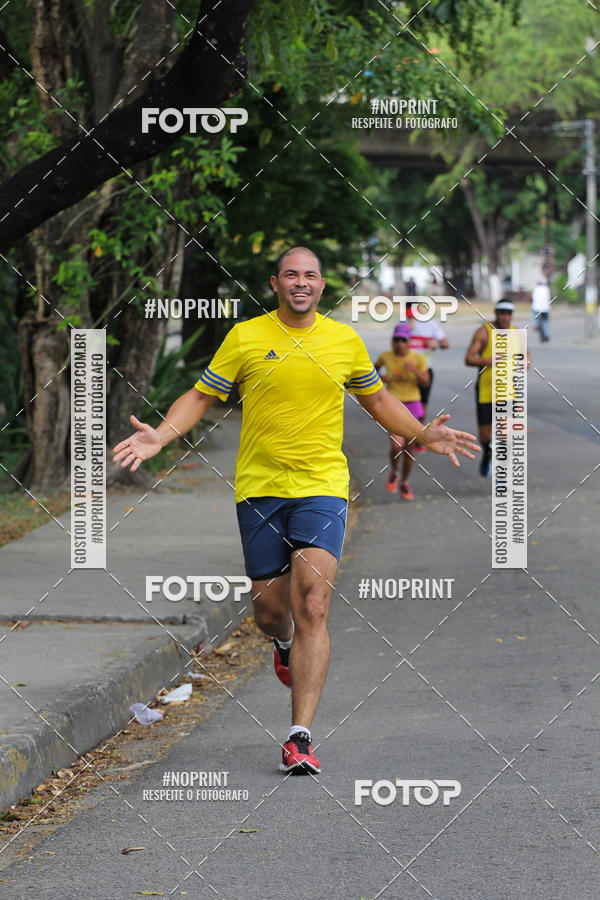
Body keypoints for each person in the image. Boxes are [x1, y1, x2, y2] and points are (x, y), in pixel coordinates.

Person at [114, 247, 479, 775]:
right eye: (291, 274)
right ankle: (283, 644)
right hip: (259, 488)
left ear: (322, 284)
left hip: (323, 486)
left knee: (313, 601)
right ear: (275, 283)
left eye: (310, 274)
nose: (301, 282)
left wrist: (423, 433)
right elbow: (200, 396)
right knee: (269, 611)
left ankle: (299, 736)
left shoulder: (342, 341)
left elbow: (377, 402)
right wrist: (161, 437)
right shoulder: (246, 338)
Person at [465, 298, 529, 477]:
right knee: (485, 436)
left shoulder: (517, 334)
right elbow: (469, 358)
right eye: (502, 313)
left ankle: (503, 475)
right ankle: (487, 452)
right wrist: (485, 361)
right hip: (486, 392)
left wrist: (525, 362)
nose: (505, 317)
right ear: (496, 313)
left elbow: (526, 354)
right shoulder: (484, 332)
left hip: (509, 392)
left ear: (512, 315)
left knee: (505, 436)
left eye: (508, 314)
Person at [375, 323, 430, 499]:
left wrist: (415, 370)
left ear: (409, 341)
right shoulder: (385, 356)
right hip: (392, 405)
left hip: (413, 405)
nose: (400, 344)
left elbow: (426, 383)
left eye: (403, 340)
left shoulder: (418, 358)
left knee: (409, 449)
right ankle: (394, 471)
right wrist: (381, 379)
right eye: (397, 340)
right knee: (397, 445)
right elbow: (371, 372)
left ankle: (404, 482)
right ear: (393, 341)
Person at [406, 301, 449, 443]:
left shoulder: (429, 323)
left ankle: (419, 436)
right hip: (406, 370)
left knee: (422, 405)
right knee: (406, 402)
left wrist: (436, 344)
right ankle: (407, 434)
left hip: (425, 369)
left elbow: (446, 343)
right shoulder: (402, 324)